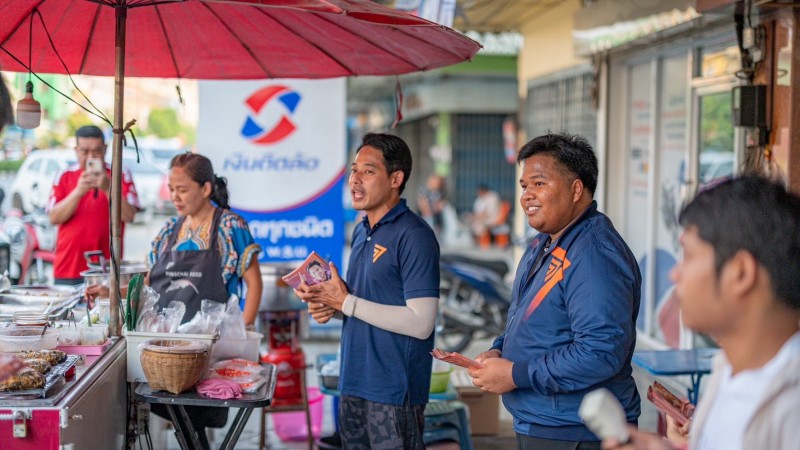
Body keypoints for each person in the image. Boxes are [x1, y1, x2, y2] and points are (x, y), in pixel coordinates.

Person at [468, 132, 641, 449]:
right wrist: (499, 350)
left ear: (576, 189)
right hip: (543, 421)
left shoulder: (593, 255)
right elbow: (533, 322)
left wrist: (516, 374)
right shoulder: (544, 243)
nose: (527, 196)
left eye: (539, 184)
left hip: (575, 430)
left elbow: (600, 351)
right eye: (524, 186)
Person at [602, 175, 800, 450]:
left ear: (740, 273)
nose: (675, 273)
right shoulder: (730, 368)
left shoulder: (791, 402)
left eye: (690, 256)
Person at [89, 153, 263, 449]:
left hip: (211, 348)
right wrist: (111, 292)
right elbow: (149, 281)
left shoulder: (231, 226)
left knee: (193, 418)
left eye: (182, 189)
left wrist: (242, 333)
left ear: (205, 188)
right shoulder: (170, 230)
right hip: (166, 350)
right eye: (171, 189)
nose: (174, 197)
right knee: (176, 415)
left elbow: (254, 282)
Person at [295, 132, 440, 449]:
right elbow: (367, 305)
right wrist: (330, 306)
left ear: (395, 178)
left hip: (393, 393)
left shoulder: (414, 235)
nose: (355, 180)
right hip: (353, 382)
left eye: (368, 171)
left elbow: (421, 322)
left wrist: (345, 302)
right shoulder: (362, 232)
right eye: (353, 169)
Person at [47, 125, 140, 285]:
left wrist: (108, 188)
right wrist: (78, 192)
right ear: (76, 150)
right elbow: (54, 217)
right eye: (84, 151)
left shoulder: (120, 174)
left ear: (105, 149)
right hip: (68, 268)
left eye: (96, 151)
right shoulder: (64, 175)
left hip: (107, 270)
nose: (90, 157)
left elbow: (129, 215)